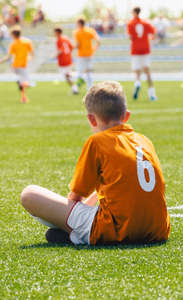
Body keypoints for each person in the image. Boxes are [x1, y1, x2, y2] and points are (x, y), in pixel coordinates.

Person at [20, 81, 171, 245]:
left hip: (115, 230)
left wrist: (66, 217)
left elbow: (76, 197)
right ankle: (74, 235)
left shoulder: (98, 142)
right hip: (158, 230)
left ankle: (73, 233)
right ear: (126, 116)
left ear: (92, 119)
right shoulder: (144, 140)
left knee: (29, 194)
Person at [127, 7, 157, 101]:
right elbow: (153, 33)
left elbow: (130, 37)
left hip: (135, 49)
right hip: (145, 49)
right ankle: (151, 94)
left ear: (134, 12)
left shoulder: (130, 23)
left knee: (137, 72)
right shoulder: (146, 23)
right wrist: (148, 39)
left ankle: (137, 84)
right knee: (147, 72)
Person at [0, 26, 33, 103]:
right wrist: (29, 58)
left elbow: (8, 57)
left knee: (23, 81)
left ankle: (23, 97)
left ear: (14, 35)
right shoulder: (27, 42)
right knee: (28, 83)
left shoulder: (13, 44)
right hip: (22, 65)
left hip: (15, 65)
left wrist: (0, 61)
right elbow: (32, 54)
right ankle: (22, 84)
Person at [73, 18, 100, 90]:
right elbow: (98, 40)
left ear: (80, 24)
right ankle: (90, 88)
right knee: (88, 71)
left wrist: (72, 48)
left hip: (81, 55)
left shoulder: (77, 32)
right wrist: (94, 49)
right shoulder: (90, 30)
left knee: (80, 71)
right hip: (89, 54)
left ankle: (76, 88)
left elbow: (78, 45)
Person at [54, 27, 78, 94]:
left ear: (57, 32)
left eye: (54, 32)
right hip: (68, 59)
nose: (54, 34)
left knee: (66, 75)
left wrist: (55, 55)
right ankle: (74, 87)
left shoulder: (59, 40)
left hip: (63, 61)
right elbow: (71, 47)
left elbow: (61, 50)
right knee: (67, 75)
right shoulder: (66, 38)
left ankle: (76, 83)